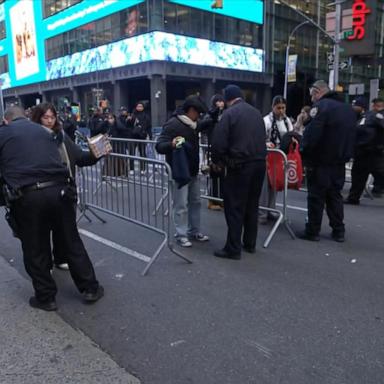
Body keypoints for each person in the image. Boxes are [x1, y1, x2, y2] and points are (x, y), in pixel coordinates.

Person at [0, 106, 104, 311]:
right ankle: (90, 288)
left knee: (34, 247)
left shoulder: (4, 133)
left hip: (27, 195)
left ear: (6, 120)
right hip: (60, 191)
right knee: (71, 241)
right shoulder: (47, 132)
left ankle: (46, 297)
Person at [30, 103, 101, 270]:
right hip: (41, 190)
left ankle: (61, 257)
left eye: (52, 117)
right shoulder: (31, 138)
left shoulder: (61, 135)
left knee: (64, 230)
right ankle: (45, 263)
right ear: (37, 118)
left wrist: (97, 153)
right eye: (45, 117)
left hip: (65, 190)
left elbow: (80, 158)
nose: (49, 121)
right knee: (41, 230)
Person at [211, 84, 267, 259]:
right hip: (259, 163)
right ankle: (249, 243)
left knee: (235, 207)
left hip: (239, 164)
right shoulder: (256, 113)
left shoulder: (229, 114)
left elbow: (218, 144)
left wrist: (219, 161)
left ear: (227, 99)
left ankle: (233, 248)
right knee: (252, 204)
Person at [300, 80, 356, 242]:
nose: (311, 100)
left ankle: (313, 231)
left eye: (312, 95)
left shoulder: (321, 107)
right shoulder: (347, 109)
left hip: (320, 161)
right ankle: (339, 231)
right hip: (339, 161)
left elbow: (312, 134)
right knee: (334, 197)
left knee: (316, 197)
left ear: (318, 92)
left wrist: (304, 151)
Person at [156, 95, 210, 248]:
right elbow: (159, 145)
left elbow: (203, 124)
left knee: (196, 202)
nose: (199, 117)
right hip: (179, 170)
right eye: (198, 113)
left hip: (192, 169)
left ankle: (194, 231)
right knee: (181, 205)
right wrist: (172, 144)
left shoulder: (193, 124)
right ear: (191, 110)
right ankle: (181, 234)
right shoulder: (173, 124)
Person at [259, 95, 295, 224]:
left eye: (283, 108)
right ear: (273, 107)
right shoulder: (266, 120)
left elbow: (291, 134)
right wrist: (266, 143)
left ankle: (271, 210)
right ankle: (262, 212)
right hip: (268, 156)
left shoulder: (287, 121)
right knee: (265, 186)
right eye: (278, 108)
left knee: (275, 184)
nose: (281, 110)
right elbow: (260, 138)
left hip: (280, 156)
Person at [345, 97, 384, 203]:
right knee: (358, 175)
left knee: (379, 173)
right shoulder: (365, 116)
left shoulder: (376, 116)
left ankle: (354, 197)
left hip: (373, 151)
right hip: (362, 151)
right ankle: (353, 198)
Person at [204, 94, 226, 210]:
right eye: (218, 101)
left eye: (222, 101)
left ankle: (221, 200)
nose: (220, 103)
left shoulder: (226, 113)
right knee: (213, 175)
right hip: (213, 148)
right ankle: (212, 201)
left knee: (222, 176)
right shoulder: (210, 115)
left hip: (223, 149)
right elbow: (205, 128)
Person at [127, 101, 152, 174]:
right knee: (132, 153)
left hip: (142, 136)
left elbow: (149, 127)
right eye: (138, 106)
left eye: (141, 106)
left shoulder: (146, 116)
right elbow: (128, 126)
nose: (139, 108)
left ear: (143, 107)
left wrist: (150, 136)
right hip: (133, 136)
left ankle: (143, 169)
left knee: (142, 153)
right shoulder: (133, 115)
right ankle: (131, 169)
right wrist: (129, 120)